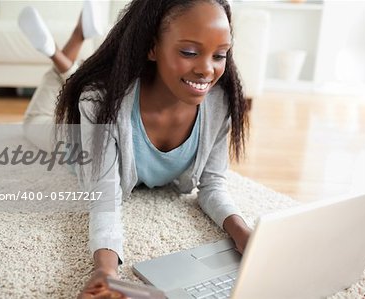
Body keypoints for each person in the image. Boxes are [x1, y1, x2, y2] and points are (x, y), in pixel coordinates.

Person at [19, 0, 251, 297]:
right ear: (151, 47)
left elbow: (213, 184)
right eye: (189, 52)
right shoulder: (98, 102)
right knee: (32, 124)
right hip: (76, 145)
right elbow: (105, 196)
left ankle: (64, 51)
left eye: (220, 54)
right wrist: (105, 270)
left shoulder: (219, 102)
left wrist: (243, 234)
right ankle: (57, 52)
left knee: (78, 83)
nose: (207, 69)